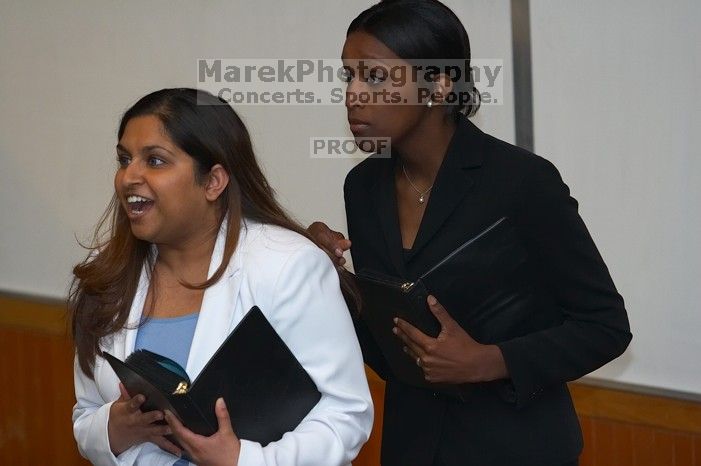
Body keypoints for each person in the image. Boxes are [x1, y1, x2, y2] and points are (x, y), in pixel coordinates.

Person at [308, 1, 632, 465]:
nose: (353, 94)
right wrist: (327, 277)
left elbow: (605, 327)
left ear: (439, 84)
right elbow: (391, 350)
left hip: (518, 449)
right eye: (348, 76)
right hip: (412, 448)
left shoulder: (521, 182)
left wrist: (489, 360)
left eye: (375, 77)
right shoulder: (362, 186)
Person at [69, 88, 373, 466]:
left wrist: (244, 460)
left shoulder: (288, 265)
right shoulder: (107, 274)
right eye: (124, 159)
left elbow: (346, 416)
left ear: (213, 181)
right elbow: (85, 415)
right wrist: (113, 428)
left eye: (156, 161)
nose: (129, 176)